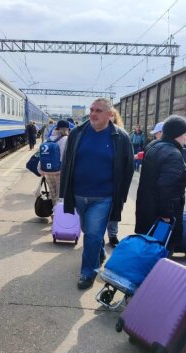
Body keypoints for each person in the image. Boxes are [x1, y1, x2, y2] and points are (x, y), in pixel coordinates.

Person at [60, 98, 134, 289]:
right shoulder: (78, 133)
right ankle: (99, 252)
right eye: (92, 110)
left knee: (92, 234)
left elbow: (128, 169)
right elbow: (67, 162)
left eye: (98, 111)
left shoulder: (121, 137)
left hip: (104, 196)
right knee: (89, 231)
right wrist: (64, 191)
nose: (93, 114)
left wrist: (121, 196)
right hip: (78, 194)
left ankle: (88, 272)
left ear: (110, 115)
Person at [135, 115, 186, 255]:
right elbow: (167, 189)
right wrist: (167, 215)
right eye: (185, 134)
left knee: (148, 249)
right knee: (161, 252)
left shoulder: (153, 146)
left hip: (146, 209)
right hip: (162, 217)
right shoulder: (173, 155)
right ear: (178, 134)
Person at [38, 120, 70, 206]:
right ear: (66, 129)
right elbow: (64, 157)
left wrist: (41, 170)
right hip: (59, 172)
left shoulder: (47, 139)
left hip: (47, 171)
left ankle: (54, 213)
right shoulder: (66, 139)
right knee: (60, 196)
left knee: (52, 194)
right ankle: (57, 216)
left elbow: (42, 156)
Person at [107, 107, 125, 247]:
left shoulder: (121, 134)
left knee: (115, 209)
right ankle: (98, 236)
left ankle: (113, 235)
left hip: (116, 179)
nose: (110, 118)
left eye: (112, 115)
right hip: (100, 179)